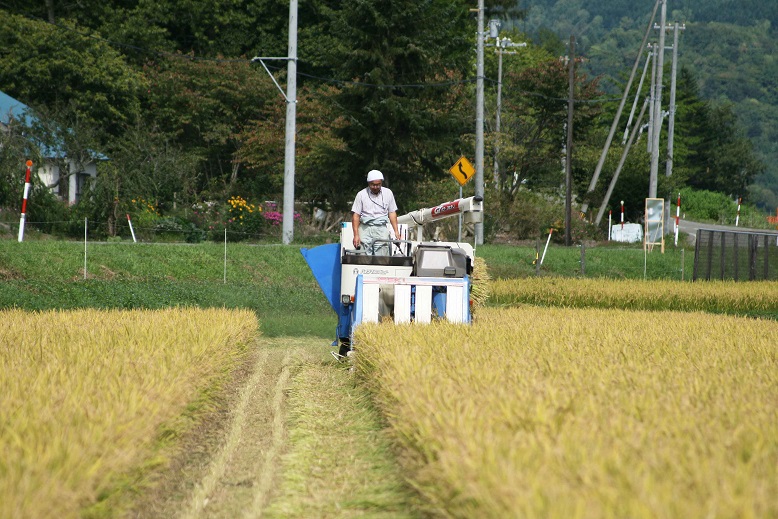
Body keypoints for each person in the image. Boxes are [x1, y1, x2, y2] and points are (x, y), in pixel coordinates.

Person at [351, 170, 400, 255]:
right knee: (363, 255)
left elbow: (392, 213)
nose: (375, 187)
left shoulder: (388, 193)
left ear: (381, 183)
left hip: (381, 228)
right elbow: (356, 215)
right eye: (373, 185)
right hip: (365, 228)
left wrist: (396, 231)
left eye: (378, 184)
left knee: (382, 256)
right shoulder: (361, 194)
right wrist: (356, 235)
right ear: (369, 183)